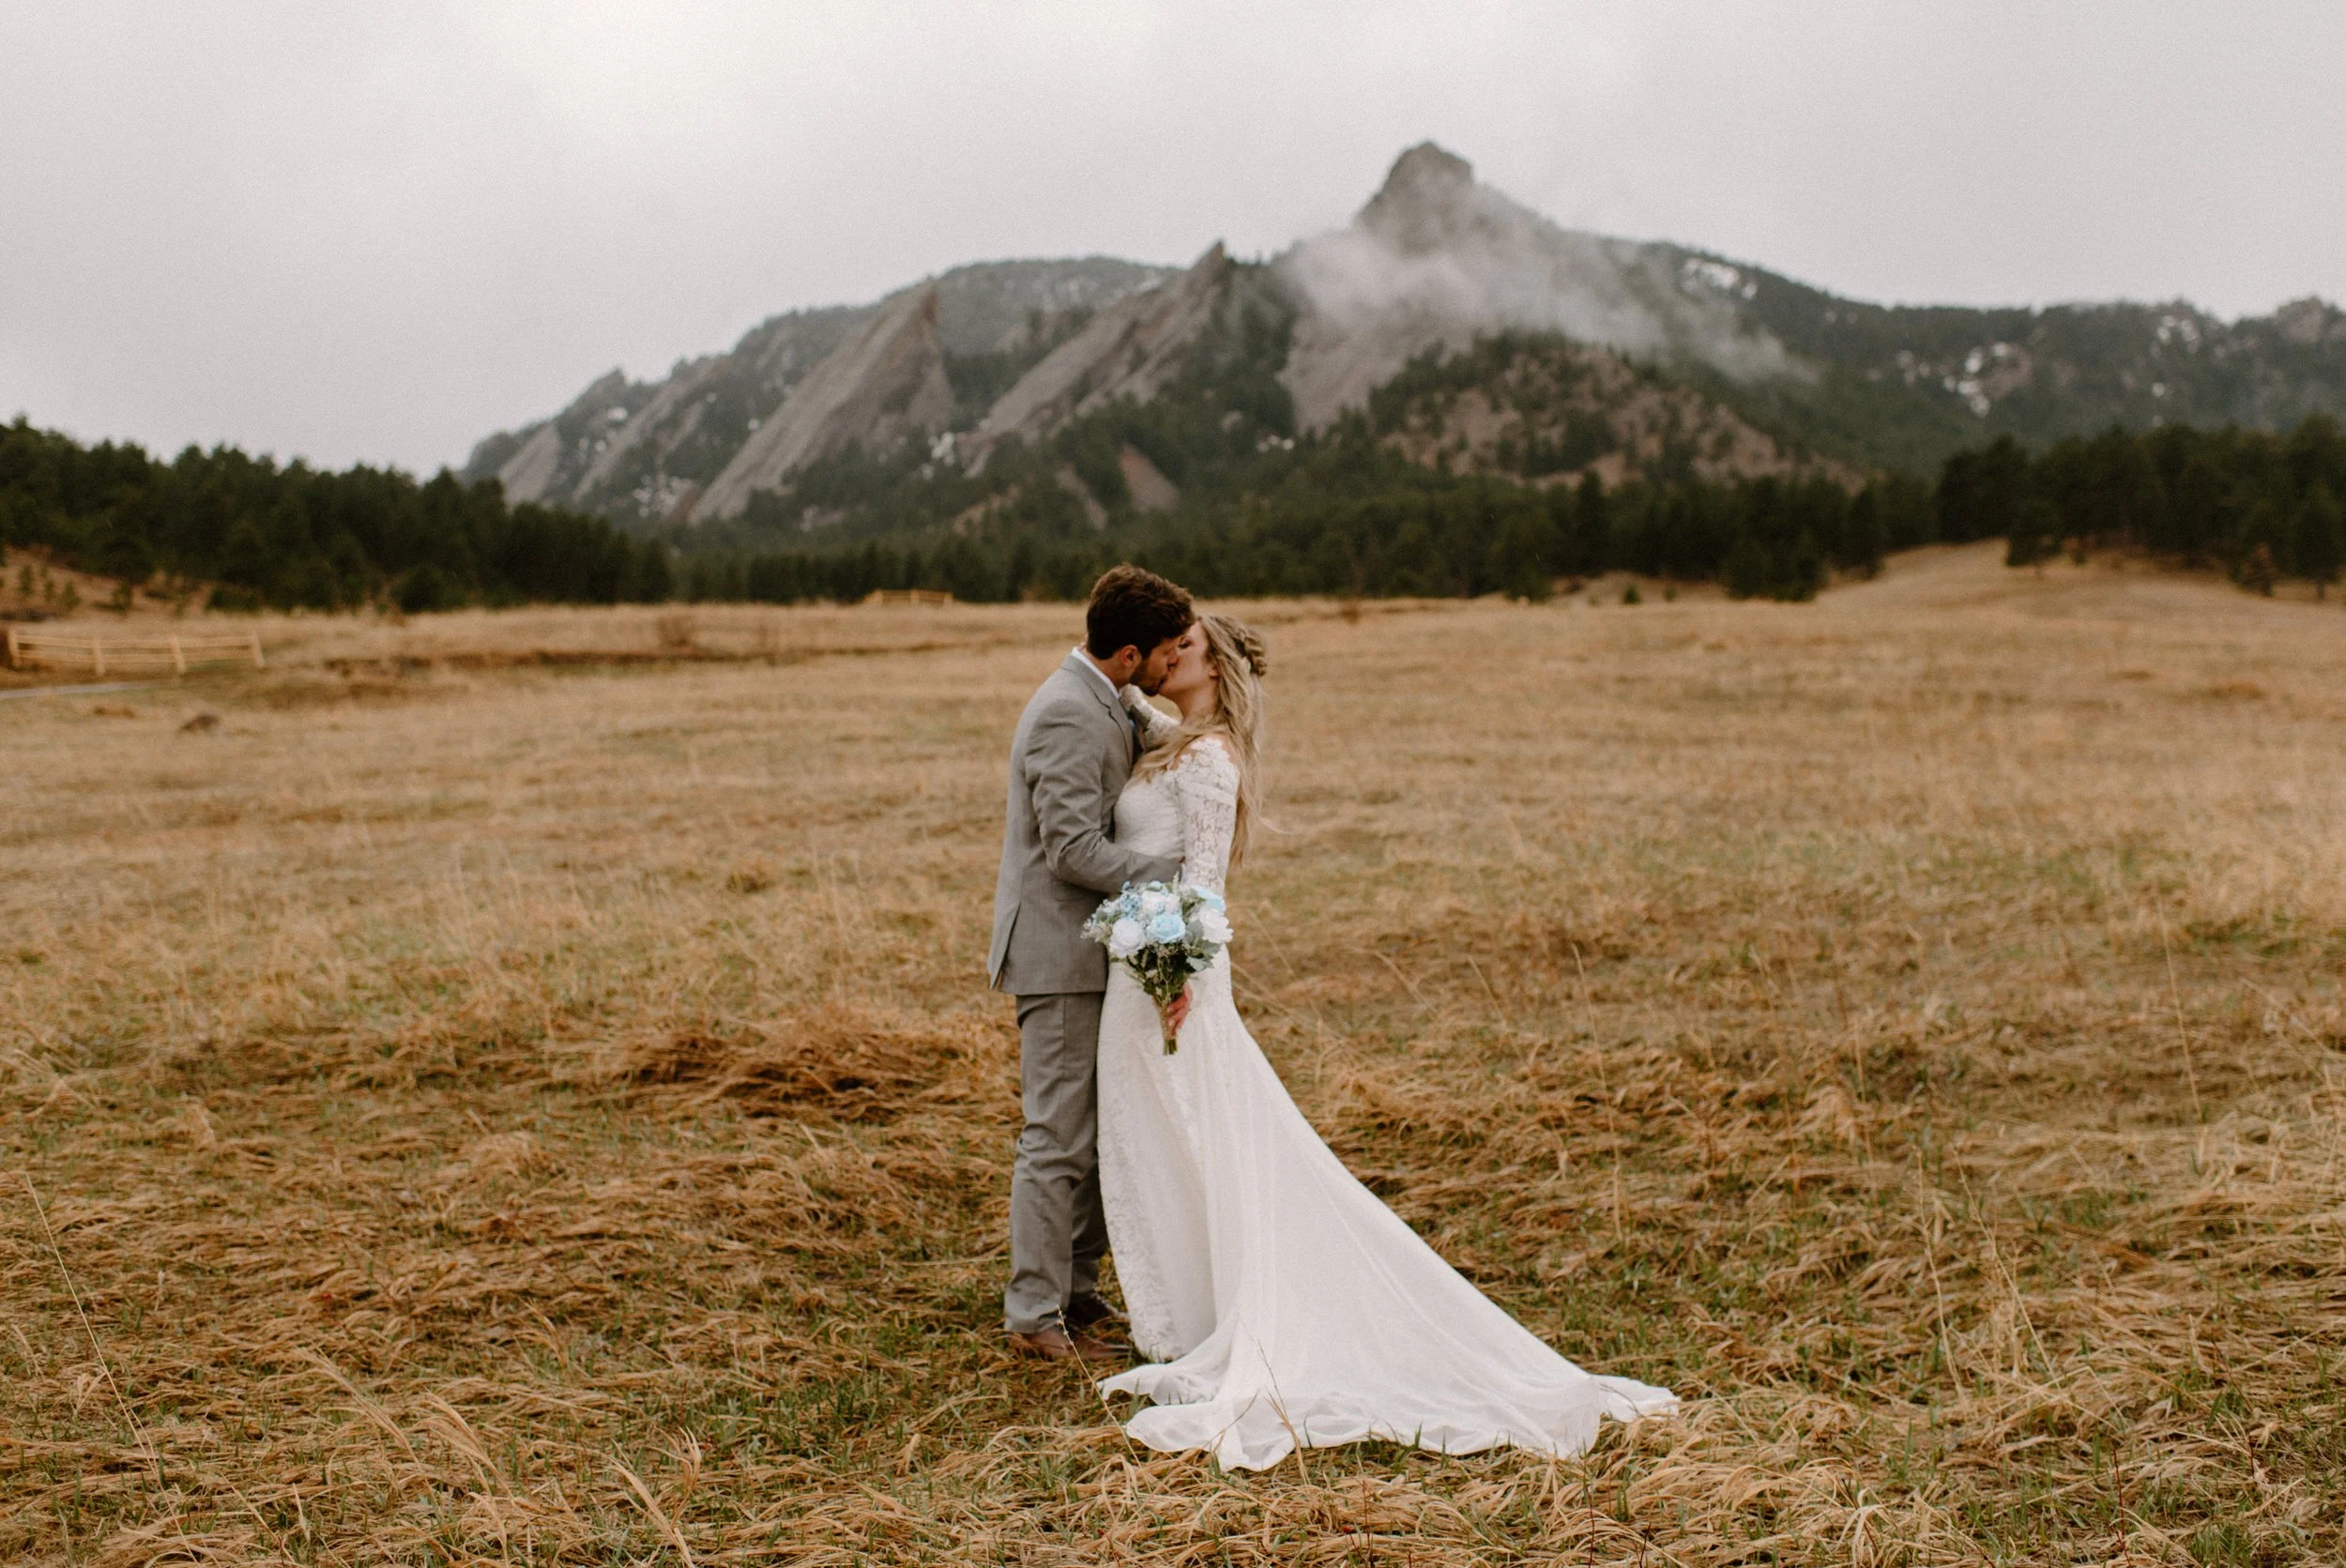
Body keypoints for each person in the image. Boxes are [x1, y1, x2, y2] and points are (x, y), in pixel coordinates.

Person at [1091, 613, 1678, 1470]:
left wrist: (1176, 972)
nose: (1169, 654)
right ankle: (1183, 1320)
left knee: (1198, 1134)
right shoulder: (1173, 736)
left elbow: (1204, 884)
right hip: (1142, 965)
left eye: (1188, 646)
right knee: (1159, 1138)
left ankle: (1221, 1322)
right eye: (1168, 643)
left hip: (1172, 975)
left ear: (1216, 669)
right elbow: (1128, 704)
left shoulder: (1211, 759)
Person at [988, 565, 1194, 1362]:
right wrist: (1172, 879)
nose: (1170, 667)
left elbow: (1157, 736)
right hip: (1058, 951)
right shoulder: (1067, 714)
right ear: (1130, 650)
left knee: (1098, 1131)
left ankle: (1073, 1291)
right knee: (1056, 1138)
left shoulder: (1106, 695)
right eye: (1165, 654)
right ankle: (1034, 1315)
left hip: (1090, 946)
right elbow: (1071, 849)